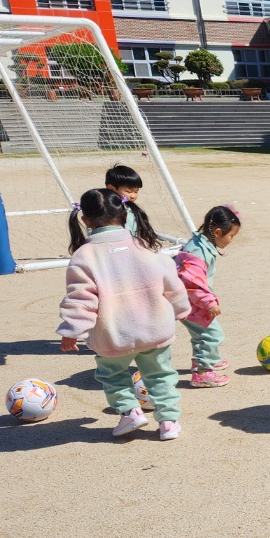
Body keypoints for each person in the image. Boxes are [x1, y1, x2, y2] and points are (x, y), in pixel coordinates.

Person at [57, 187, 190, 440]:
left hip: (114, 334)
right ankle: (169, 422)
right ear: (124, 214)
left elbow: (81, 298)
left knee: (112, 375)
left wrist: (72, 331)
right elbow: (172, 282)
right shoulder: (145, 246)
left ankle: (130, 412)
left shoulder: (84, 256)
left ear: (85, 220)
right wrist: (181, 308)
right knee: (161, 376)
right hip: (155, 329)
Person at [175, 205, 241, 387]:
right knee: (212, 334)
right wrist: (209, 302)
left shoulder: (200, 244)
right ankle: (202, 372)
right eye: (231, 236)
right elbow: (192, 281)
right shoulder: (198, 252)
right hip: (193, 303)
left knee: (201, 333)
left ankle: (208, 360)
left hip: (189, 301)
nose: (231, 240)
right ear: (218, 232)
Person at [103, 164, 157, 246]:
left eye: (136, 191)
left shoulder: (132, 209)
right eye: (128, 191)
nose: (133, 196)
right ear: (111, 188)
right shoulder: (104, 210)